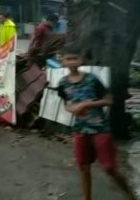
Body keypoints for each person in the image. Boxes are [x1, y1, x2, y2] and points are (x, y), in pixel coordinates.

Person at [57, 45, 136, 200]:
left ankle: (130, 195)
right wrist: (72, 109)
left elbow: (109, 100)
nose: (72, 62)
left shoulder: (91, 79)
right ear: (63, 61)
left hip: (99, 128)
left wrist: (86, 104)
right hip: (80, 129)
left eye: (75, 58)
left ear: (81, 60)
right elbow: (67, 104)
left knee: (109, 167)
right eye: (68, 59)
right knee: (83, 166)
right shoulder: (62, 83)